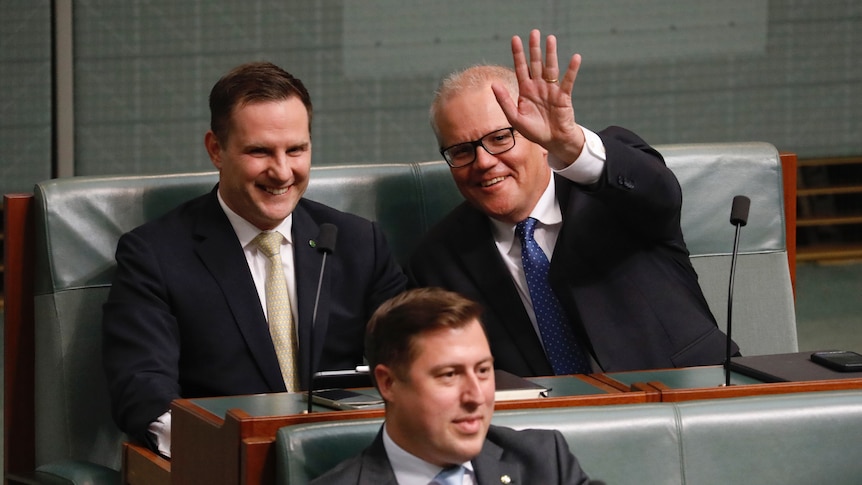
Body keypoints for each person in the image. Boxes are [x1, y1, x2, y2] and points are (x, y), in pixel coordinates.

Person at [102, 61, 407, 457]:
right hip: (229, 462)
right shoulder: (154, 255)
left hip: (349, 460)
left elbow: (417, 358)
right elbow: (143, 389)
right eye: (260, 151)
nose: (282, 172)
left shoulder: (356, 242)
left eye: (296, 149)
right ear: (216, 149)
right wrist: (224, 454)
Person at [407, 29, 737, 377]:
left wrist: (571, 144)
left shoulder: (614, 193)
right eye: (461, 150)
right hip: (549, 423)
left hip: (687, 395)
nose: (484, 161)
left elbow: (660, 191)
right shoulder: (436, 262)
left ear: (537, 135)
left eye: (501, 138)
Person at [313, 287, 595, 485]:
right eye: (449, 375)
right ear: (389, 383)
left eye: (483, 370)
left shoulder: (544, 462)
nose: (476, 396)